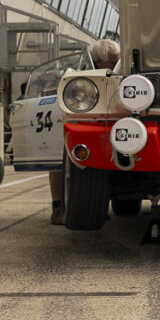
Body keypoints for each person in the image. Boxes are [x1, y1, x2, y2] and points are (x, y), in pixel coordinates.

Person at [51, 38, 120, 225]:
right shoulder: (77, 75)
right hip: (76, 126)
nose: (117, 66)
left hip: (105, 124)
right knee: (59, 159)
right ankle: (57, 207)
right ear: (98, 61)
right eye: (113, 63)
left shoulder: (114, 73)